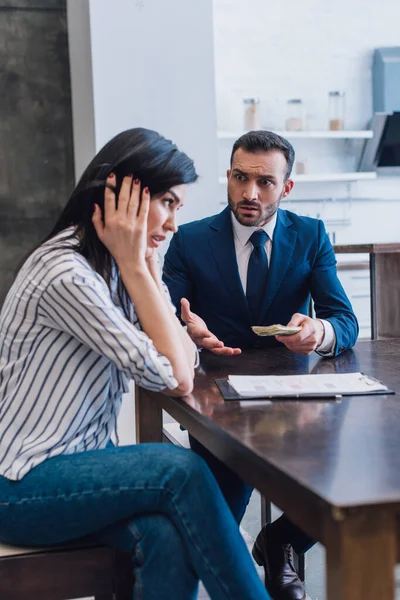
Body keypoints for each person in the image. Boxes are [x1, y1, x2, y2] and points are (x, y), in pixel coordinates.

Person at [0, 128, 271, 600]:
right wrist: (137, 268)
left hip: (78, 466)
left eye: (177, 208)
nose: (171, 224)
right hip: (20, 485)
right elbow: (174, 375)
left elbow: (182, 355)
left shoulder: (117, 267)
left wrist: (139, 268)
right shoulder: (67, 273)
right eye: (166, 202)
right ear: (118, 193)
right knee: (182, 470)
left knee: (165, 536)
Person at [163, 130, 359, 600]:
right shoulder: (189, 240)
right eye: (240, 177)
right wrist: (185, 332)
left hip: (298, 404)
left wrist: (320, 332)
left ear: (286, 188)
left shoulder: (310, 235)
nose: (250, 193)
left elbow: (344, 319)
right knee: (214, 528)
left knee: (349, 479)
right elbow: (162, 316)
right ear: (228, 177)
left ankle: (284, 541)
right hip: (217, 404)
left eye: (265, 182)